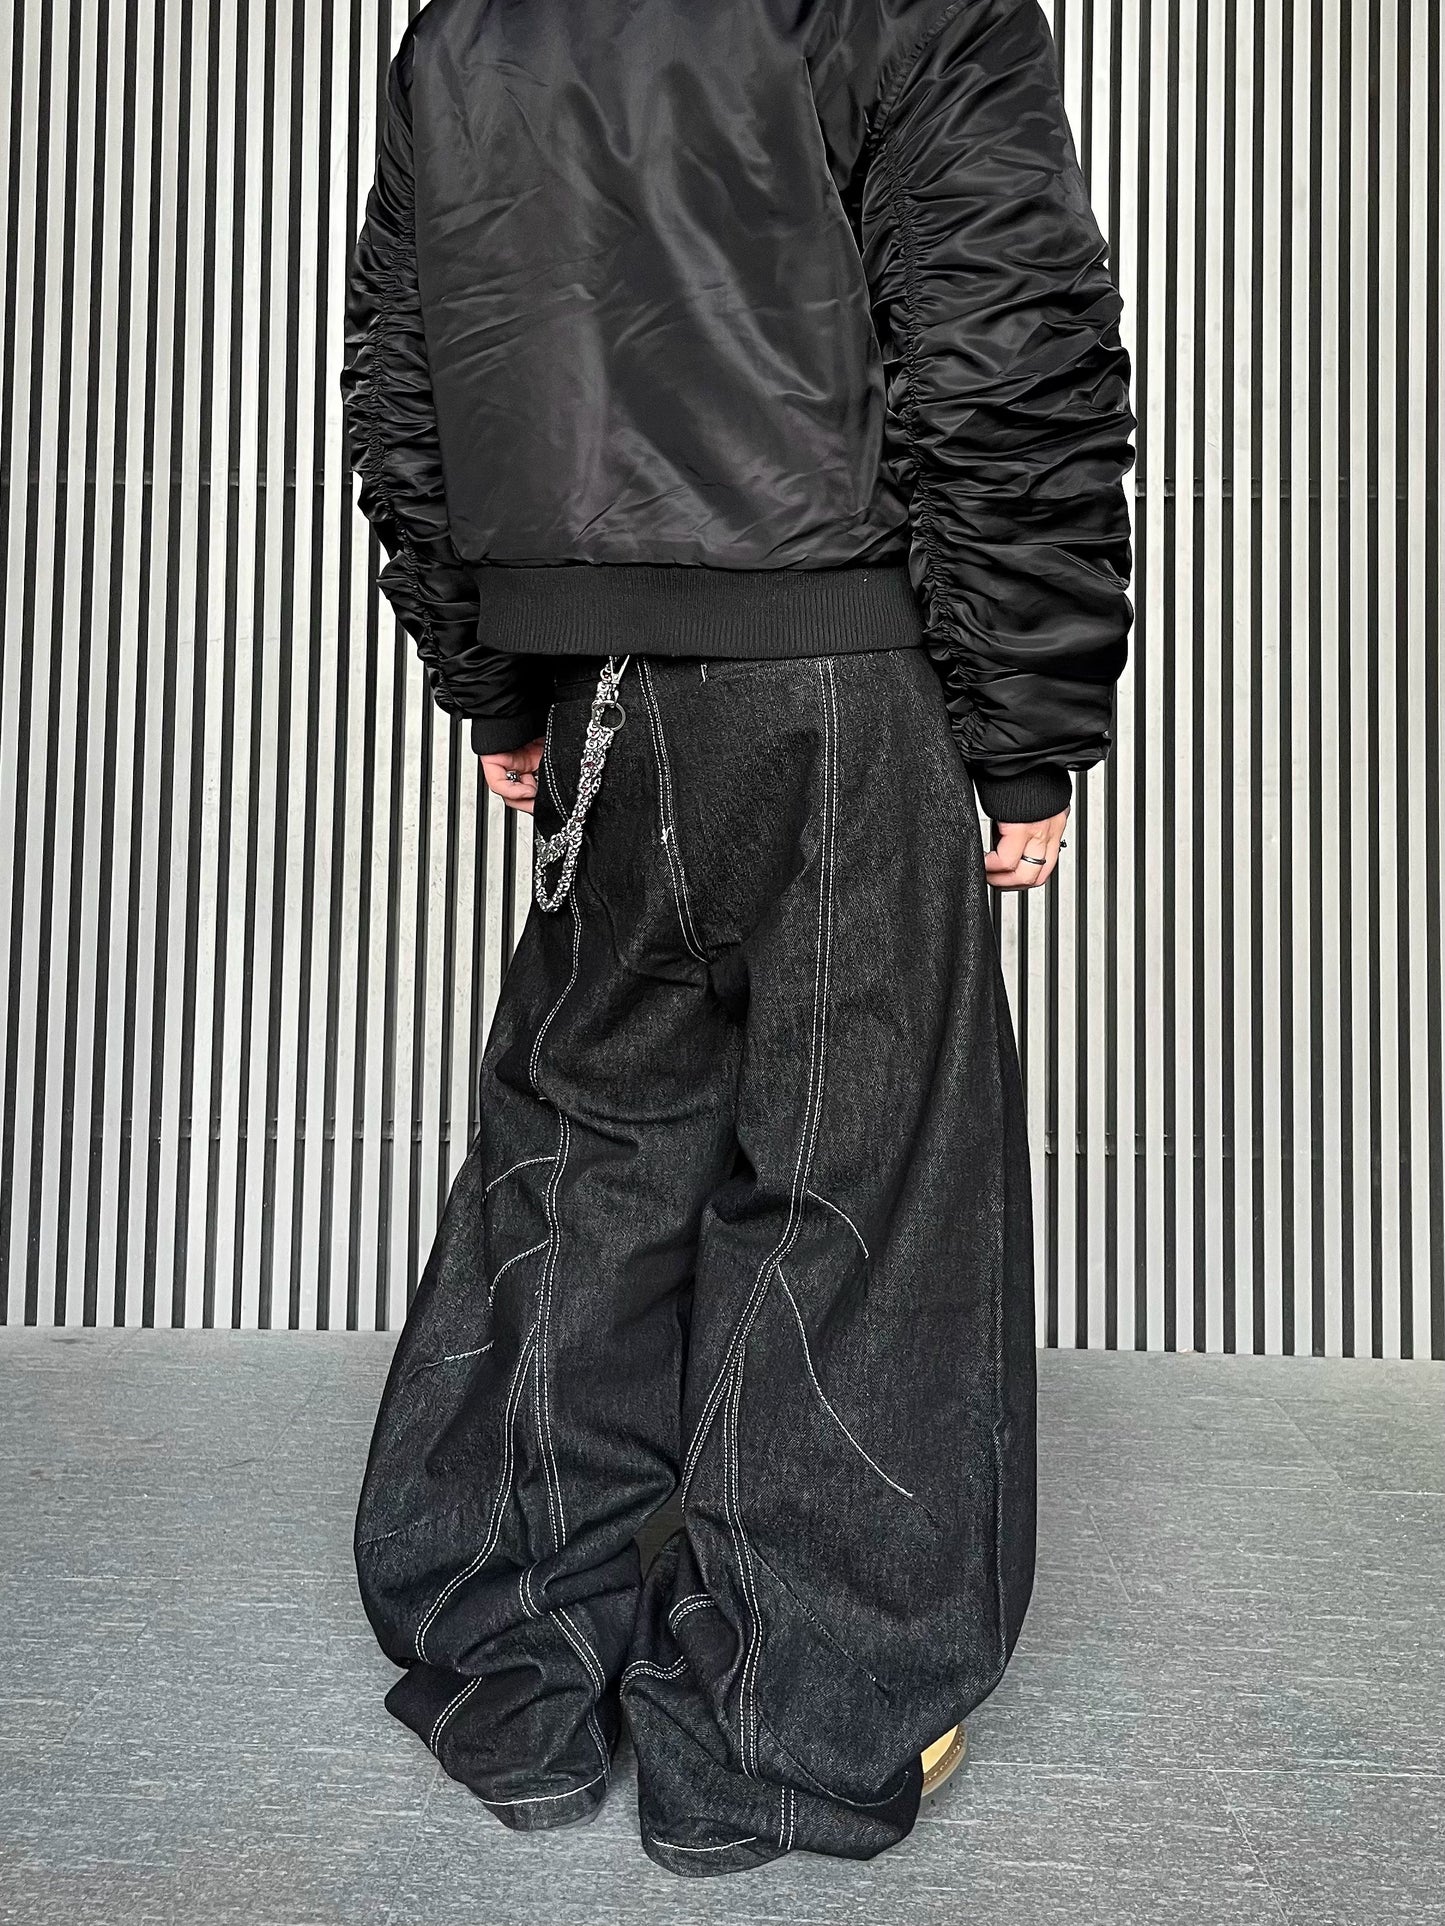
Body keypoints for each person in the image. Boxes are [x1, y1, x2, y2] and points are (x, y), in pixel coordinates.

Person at [341, 0, 1134, 1878]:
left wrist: (493, 669)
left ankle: (511, 1676)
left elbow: (407, 357)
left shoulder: (470, 25)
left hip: (598, 679)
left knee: (586, 1155)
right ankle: (777, 1735)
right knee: (855, 1189)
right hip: (838, 667)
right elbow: (1003, 342)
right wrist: (1024, 722)